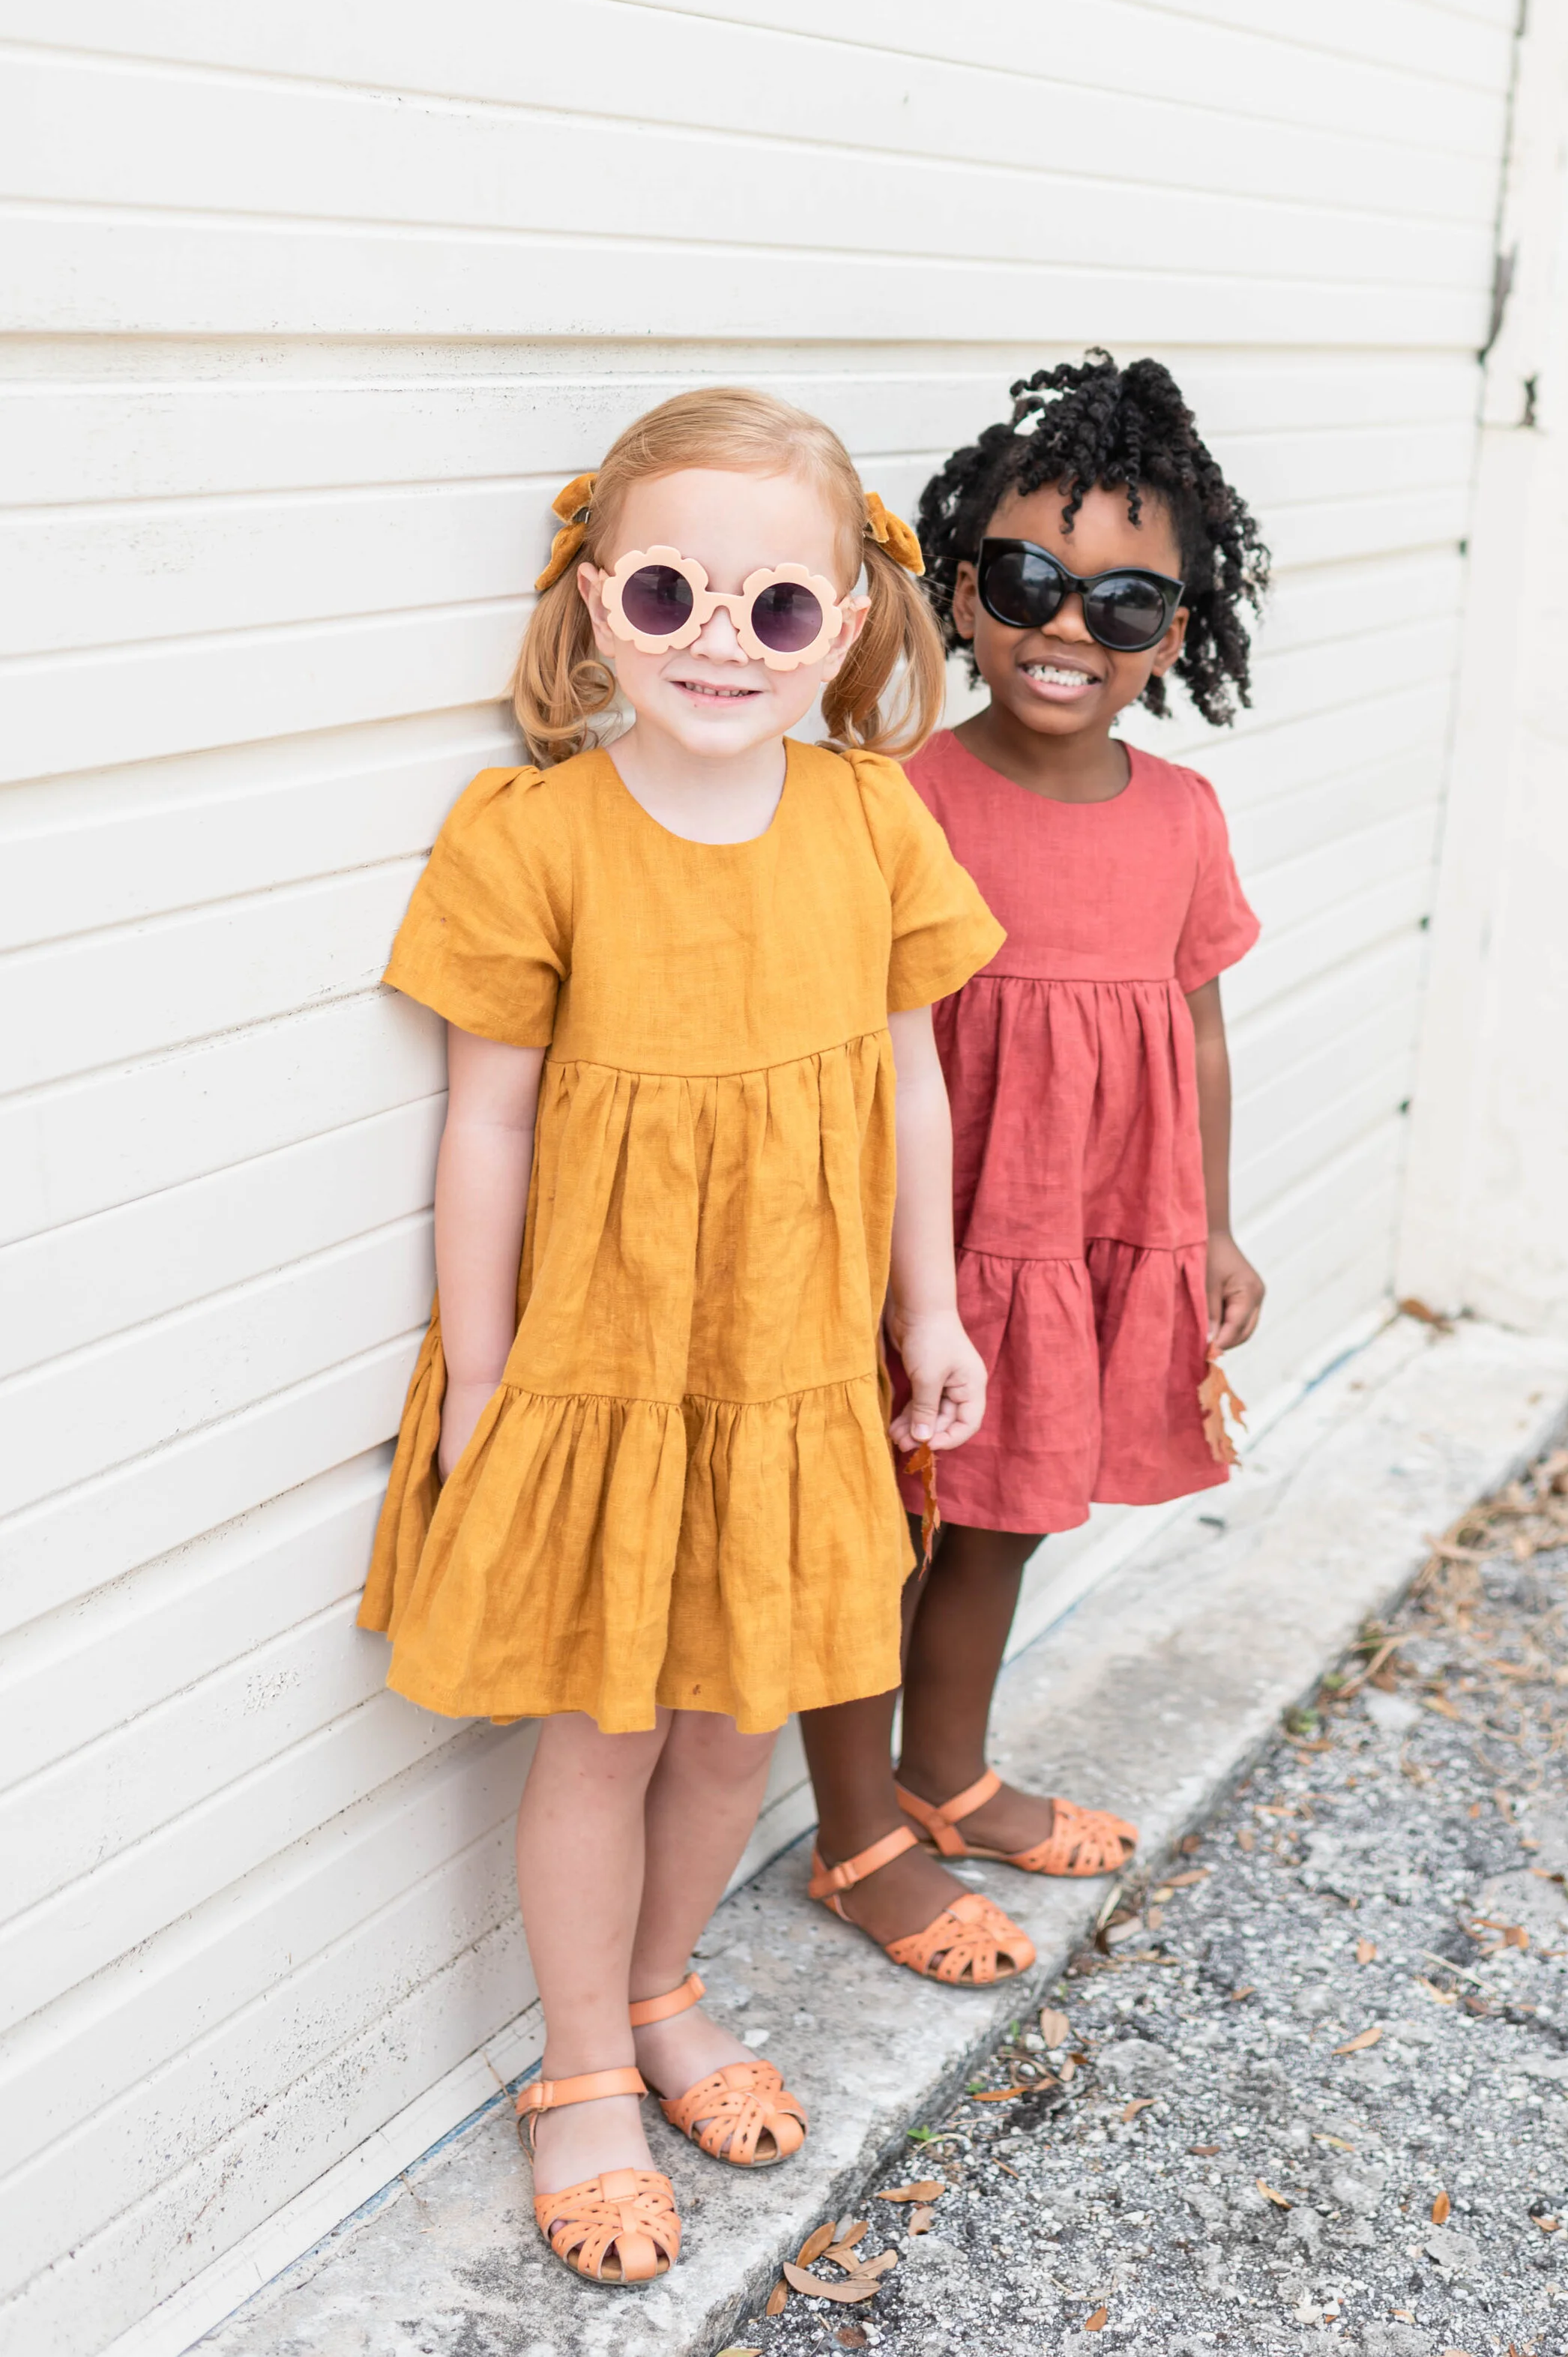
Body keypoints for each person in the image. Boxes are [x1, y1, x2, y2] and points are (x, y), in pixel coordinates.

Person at [357, 388, 1009, 2290]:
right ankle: (576, 2074)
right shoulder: (534, 834)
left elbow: (910, 1088)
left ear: (850, 625)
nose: (723, 641)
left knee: (735, 1723)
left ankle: (662, 1986)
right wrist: (484, 1380)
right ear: (592, 605)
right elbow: (484, 1120)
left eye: (777, 610)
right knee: (604, 1722)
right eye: (670, 591)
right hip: (610, 1368)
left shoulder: (868, 820)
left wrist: (933, 1306)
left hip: (793, 1365)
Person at [798, 351, 1267, 1948]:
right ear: (963, 589)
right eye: (1026, 581)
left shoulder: (1183, 816)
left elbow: (1192, 1027)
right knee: (877, 1534)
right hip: (919, 1246)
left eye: (1125, 604)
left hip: (1071, 1242)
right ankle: (857, 1839)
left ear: (1175, 637)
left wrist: (1206, 1227)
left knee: (998, 1521)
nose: (1068, 627)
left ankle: (942, 1771)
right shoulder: (896, 803)